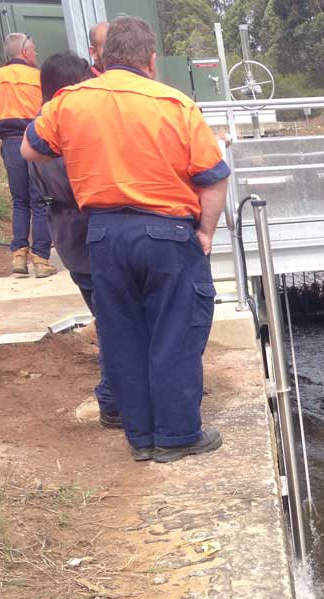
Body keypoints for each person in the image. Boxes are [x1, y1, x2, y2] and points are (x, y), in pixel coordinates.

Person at [22, 16, 230, 463]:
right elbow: (213, 179)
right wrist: (206, 233)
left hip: (104, 234)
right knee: (175, 331)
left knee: (123, 335)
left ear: (101, 58)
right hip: (167, 233)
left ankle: (141, 439)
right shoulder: (176, 105)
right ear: (151, 60)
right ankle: (176, 437)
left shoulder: (70, 102)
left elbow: (30, 148)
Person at [29, 52, 118, 430]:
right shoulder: (68, 127)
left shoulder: (39, 129)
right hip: (90, 232)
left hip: (67, 236)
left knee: (107, 317)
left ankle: (120, 395)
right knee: (117, 322)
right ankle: (113, 399)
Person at [0, 32, 55, 278]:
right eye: (33, 50)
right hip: (35, 143)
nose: (36, 54)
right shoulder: (39, 77)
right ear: (24, 52)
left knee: (19, 201)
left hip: (11, 145)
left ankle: (19, 256)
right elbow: (50, 113)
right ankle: (41, 259)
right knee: (40, 201)